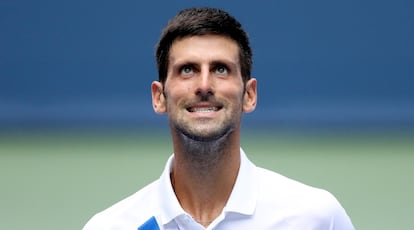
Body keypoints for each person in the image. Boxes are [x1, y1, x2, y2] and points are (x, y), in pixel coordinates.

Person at [83, 7, 354, 230]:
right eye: (187, 70)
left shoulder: (315, 217)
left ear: (249, 94)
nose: (204, 85)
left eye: (220, 69)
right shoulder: (109, 226)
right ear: (159, 97)